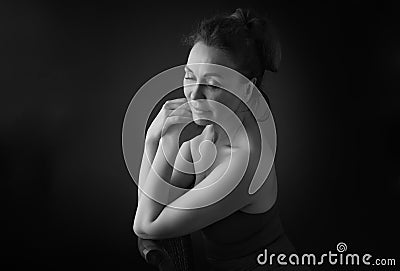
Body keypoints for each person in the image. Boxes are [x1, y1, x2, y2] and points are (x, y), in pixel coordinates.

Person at [134, 8, 310, 270]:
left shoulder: (243, 163)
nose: (194, 95)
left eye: (213, 85)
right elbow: (155, 203)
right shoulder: (211, 135)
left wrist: (167, 138)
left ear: (247, 88)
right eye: (189, 77)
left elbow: (146, 225)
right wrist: (152, 141)